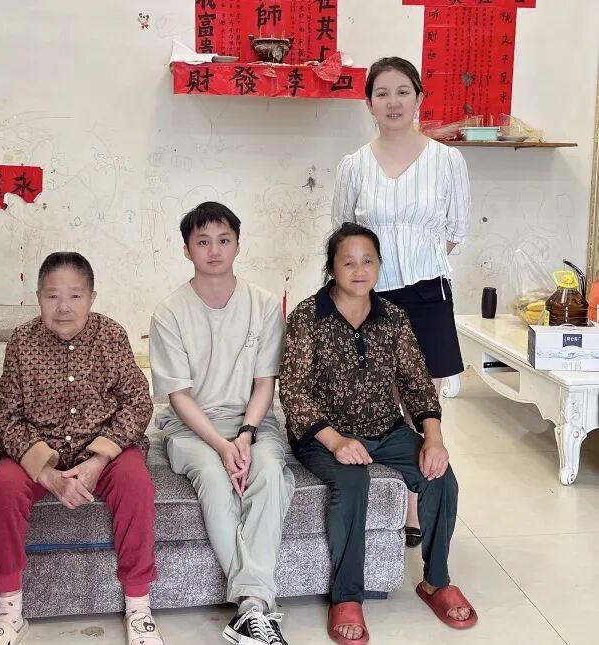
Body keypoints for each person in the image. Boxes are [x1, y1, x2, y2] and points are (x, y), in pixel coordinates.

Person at [280, 223, 477, 645]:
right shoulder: (307, 317)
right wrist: (336, 441)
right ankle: (347, 597)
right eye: (348, 262)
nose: (359, 270)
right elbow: (293, 391)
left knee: (440, 475)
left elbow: (417, 383)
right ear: (331, 268)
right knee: (353, 483)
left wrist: (433, 438)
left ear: (379, 265)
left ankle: (436, 582)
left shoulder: (393, 317)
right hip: (324, 435)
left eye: (368, 261)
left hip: (385, 429)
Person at [0, 252, 161, 645]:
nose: (63, 307)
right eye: (52, 296)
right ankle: (8, 612)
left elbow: (137, 401)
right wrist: (47, 474)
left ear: (91, 297)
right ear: (38, 298)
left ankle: (139, 607)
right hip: (38, 449)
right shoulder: (22, 341)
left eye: (75, 296)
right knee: (2, 489)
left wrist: (100, 458)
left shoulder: (110, 335)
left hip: (104, 448)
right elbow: (6, 418)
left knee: (136, 485)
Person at [331, 56, 471, 547]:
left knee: (422, 404)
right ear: (369, 103)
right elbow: (343, 235)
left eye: (402, 91)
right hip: (370, 296)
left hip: (427, 292)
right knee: (377, 401)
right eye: (382, 93)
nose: (393, 102)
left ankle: (413, 507)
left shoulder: (447, 161)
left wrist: (414, 264)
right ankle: (380, 499)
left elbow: (455, 231)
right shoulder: (354, 165)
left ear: (418, 98)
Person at [149, 202, 295, 645]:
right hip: (193, 426)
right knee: (214, 478)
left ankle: (250, 606)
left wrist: (246, 434)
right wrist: (221, 444)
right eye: (203, 241)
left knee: (270, 471)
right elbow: (178, 396)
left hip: (253, 421)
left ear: (237, 245)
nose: (214, 250)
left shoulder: (264, 305)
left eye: (223, 240)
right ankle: (256, 602)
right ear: (186, 249)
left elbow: (265, 383)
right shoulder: (170, 312)